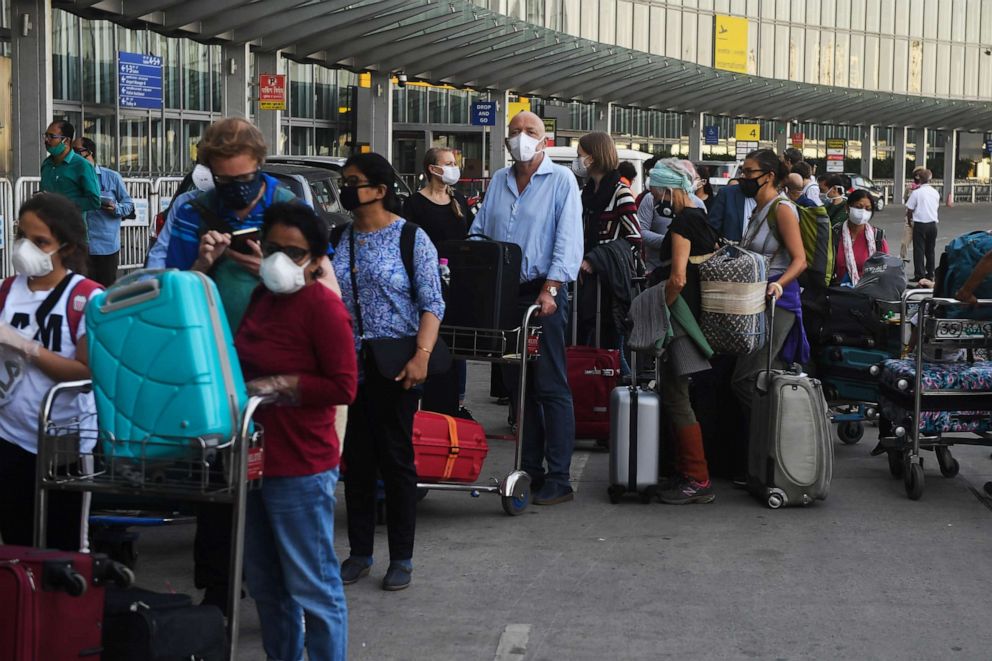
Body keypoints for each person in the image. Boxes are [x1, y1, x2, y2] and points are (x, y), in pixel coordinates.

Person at [165, 117, 301, 613]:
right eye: (224, 181)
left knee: (277, 486)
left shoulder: (288, 207)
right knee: (217, 480)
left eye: (243, 180)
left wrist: (269, 267)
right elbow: (168, 286)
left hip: (279, 363)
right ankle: (218, 591)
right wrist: (202, 264)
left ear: (261, 167)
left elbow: (319, 284)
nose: (235, 191)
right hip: (213, 363)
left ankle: (279, 593)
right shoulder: (193, 209)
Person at [235, 202, 356, 661]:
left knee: (312, 584)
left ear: (316, 259)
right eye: (272, 248)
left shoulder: (323, 308)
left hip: (302, 467)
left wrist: (286, 384)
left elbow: (344, 386)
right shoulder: (260, 298)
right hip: (254, 462)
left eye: (293, 251)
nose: (280, 259)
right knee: (266, 583)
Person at [332, 152, 445, 591]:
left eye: (353, 181)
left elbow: (432, 301)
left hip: (396, 364)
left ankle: (402, 557)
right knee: (356, 461)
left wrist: (421, 354)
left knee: (395, 460)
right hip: (348, 365)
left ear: (379, 189)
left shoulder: (410, 237)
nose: (346, 189)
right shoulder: (339, 238)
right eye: (344, 181)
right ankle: (359, 552)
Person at [470, 111, 583, 505]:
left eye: (530, 132)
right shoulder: (499, 181)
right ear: (505, 142)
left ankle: (560, 476)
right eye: (515, 132)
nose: (522, 138)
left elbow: (568, 240)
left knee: (550, 384)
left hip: (543, 294)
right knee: (520, 387)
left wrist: (552, 288)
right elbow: (481, 231)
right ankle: (530, 467)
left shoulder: (561, 180)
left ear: (544, 141)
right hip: (505, 293)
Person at [0, 193, 103, 552]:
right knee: (16, 543)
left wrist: (28, 347)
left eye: (40, 241)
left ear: (66, 245)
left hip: (65, 441)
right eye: (21, 236)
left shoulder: (87, 297)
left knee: (65, 548)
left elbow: (87, 374)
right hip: (10, 435)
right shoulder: (8, 291)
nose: (26, 248)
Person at [646, 159, 720, 504]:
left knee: (675, 395)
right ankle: (688, 473)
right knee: (680, 394)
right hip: (697, 317)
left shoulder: (682, 224)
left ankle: (696, 477)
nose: (655, 197)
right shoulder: (702, 219)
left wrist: (659, 308)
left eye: (657, 190)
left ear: (670, 189)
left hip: (679, 318)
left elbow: (677, 277)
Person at [731, 150, 809, 475]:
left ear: (768, 175)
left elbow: (800, 259)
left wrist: (779, 284)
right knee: (766, 378)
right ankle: (767, 461)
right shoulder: (758, 209)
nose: (743, 177)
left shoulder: (783, 209)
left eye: (749, 172)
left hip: (778, 301)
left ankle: (777, 444)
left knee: (745, 379)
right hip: (755, 300)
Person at [403, 147, 471, 417]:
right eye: (448, 163)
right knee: (433, 337)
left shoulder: (460, 201)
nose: (454, 168)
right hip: (428, 281)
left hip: (458, 281)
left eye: (455, 163)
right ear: (433, 169)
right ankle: (429, 401)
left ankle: (458, 401)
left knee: (458, 343)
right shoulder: (415, 204)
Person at [575, 131, 641, 367]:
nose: (578, 160)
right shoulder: (586, 192)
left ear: (592, 158)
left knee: (610, 342)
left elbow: (634, 237)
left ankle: (617, 388)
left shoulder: (620, 192)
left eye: (580, 155)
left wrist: (597, 259)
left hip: (609, 284)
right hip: (586, 280)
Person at [71, 137, 134, 287]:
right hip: (80, 247)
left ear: (88, 153)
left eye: (76, 151)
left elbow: (128, 205)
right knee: (82, 292)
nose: (72, 156)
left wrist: (115, 209)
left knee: (105, 291)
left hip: (106, 247)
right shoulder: (73, 180)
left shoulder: (112, 177)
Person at [40, 121, 101, 214]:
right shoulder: (47, 164)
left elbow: (94, 201)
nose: (46, 140)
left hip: (71, 226)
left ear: (66, 141)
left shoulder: (82, 165)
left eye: (52, 136)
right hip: (48, 225)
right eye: (46, 136)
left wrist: (62, 204)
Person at [834, 189, 889, 286]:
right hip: (839, 293)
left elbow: (886, 269)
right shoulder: (835, 234)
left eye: (868, 209)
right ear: (847, 207)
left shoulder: (877, 237)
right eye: (858, 207)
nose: (863, 212)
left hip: (868, 294)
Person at [906, 168, 940, 282]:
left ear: (919, 179)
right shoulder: (935, 192)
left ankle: (919, 275)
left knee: (919, 250)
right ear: (930, 179)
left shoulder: (916, 193)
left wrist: (909, 221)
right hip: (932, 224)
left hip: (920, 224)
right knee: (930, 250)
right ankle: (930, 274)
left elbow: (909, 209)